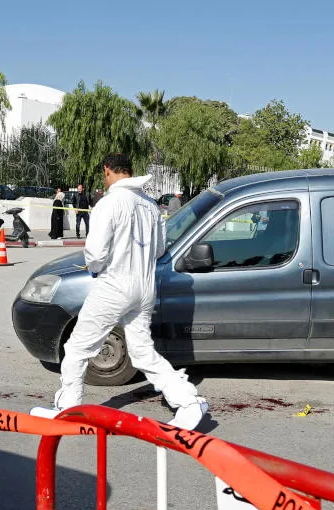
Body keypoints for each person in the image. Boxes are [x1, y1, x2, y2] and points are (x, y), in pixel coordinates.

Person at [37, 153, 207, 430]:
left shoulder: (109, 203)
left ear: (107, 170)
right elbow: (160, 250)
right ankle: (188, 401)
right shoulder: (150, 205)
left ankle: (67, 407)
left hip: (114, 285)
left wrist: (95, 268)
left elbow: (95, 253)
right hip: (144, 287)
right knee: (142, 351)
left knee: (78, 348)